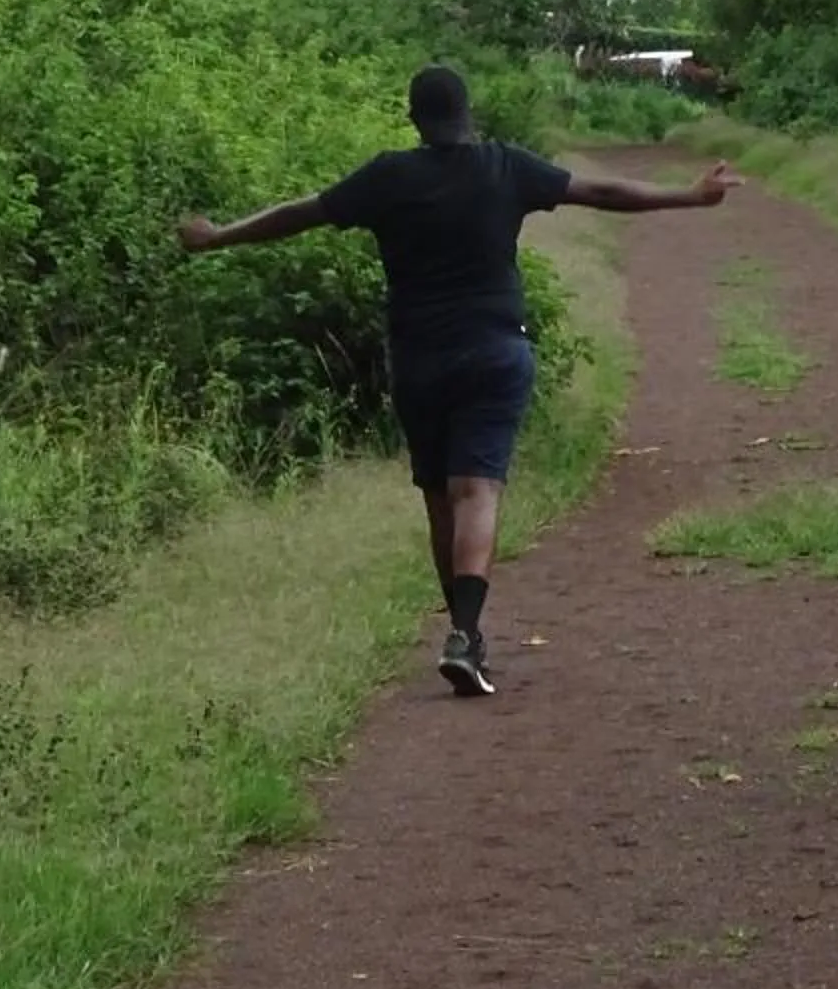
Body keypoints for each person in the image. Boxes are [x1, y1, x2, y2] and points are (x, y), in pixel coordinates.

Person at [177, 64, 738, 696]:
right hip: (495, 353)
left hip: (418, 360)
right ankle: (466, 635)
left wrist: (217, 236)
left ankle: (464, 634)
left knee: (441, 497)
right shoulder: (505, 167)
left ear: (414, 120)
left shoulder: (388, 177)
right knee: (478, 490)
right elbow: (603, 194)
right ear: (469, 113)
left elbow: (299, 215)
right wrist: (690, 195)